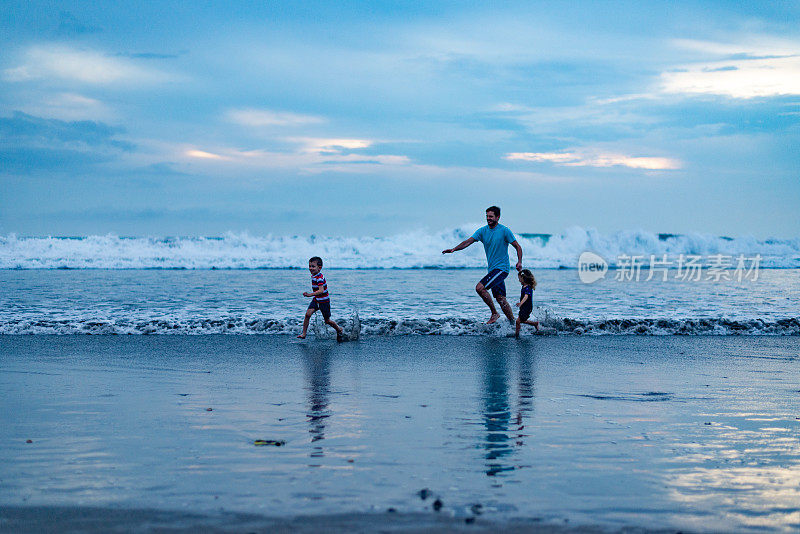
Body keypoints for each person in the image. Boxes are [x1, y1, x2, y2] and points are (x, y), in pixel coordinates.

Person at [442, 206, 523, 324]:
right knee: (500, 298)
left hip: (502, 268)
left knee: (480, 288)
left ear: (498, 217)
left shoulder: (504, 230)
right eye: (487, 216)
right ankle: (513, 323)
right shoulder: (482, 231)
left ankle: (494, 313)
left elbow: (517, 246)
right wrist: (454, 249)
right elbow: (468, 242)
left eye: (491, 216)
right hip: (492, 270)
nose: (488, 219)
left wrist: (519, 261)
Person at [297, 256, 346, 342]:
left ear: (319, 268)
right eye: (309, 266)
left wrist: (310, 295)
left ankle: (339, 329)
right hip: (317, 300)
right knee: (307, 315)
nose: (310, 268)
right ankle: (304, 334)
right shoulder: (314, 275)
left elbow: (321, 290)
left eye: (313, 266)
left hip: (324, 301)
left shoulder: (319, 278)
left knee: (327, 321)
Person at [515, 269, 540, 337]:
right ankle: (535, 324)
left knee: (518, 321)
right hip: (524, 307)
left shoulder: (528, 288)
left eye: (519, 278)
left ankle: (516, 335)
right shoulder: (524, 286)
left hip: (527, 307)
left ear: (524, 278)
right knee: (522, 320)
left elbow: (526, 296)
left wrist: (520, 303)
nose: (519, 280)